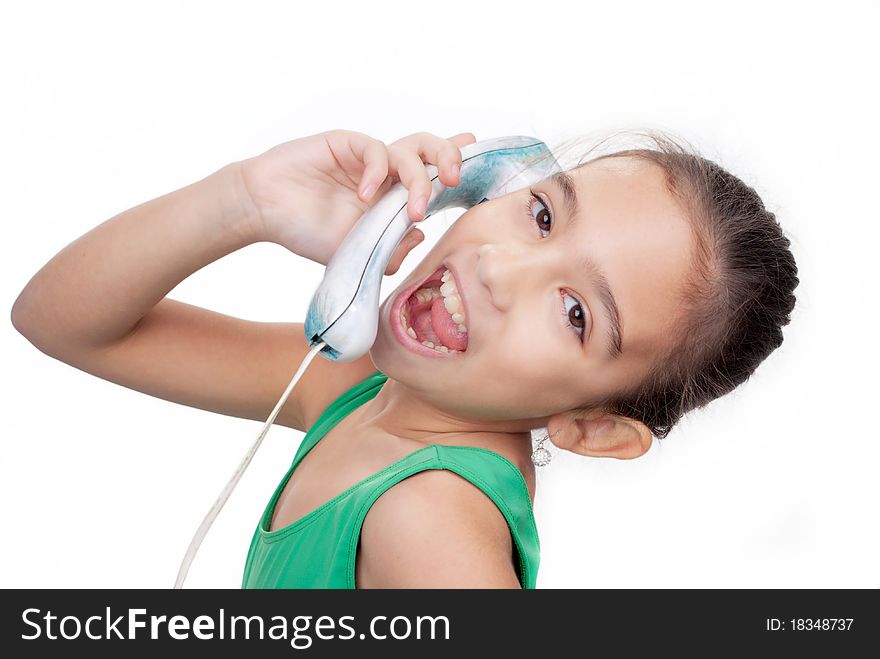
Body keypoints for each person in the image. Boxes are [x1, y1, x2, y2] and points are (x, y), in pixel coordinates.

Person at [11, 128, 799, 588]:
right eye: (542, 212)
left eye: (575, 312)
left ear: (594, 426)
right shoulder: (363, 389)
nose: (497, 268)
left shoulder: (429, 521)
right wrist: (245, 200)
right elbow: (62, 321)